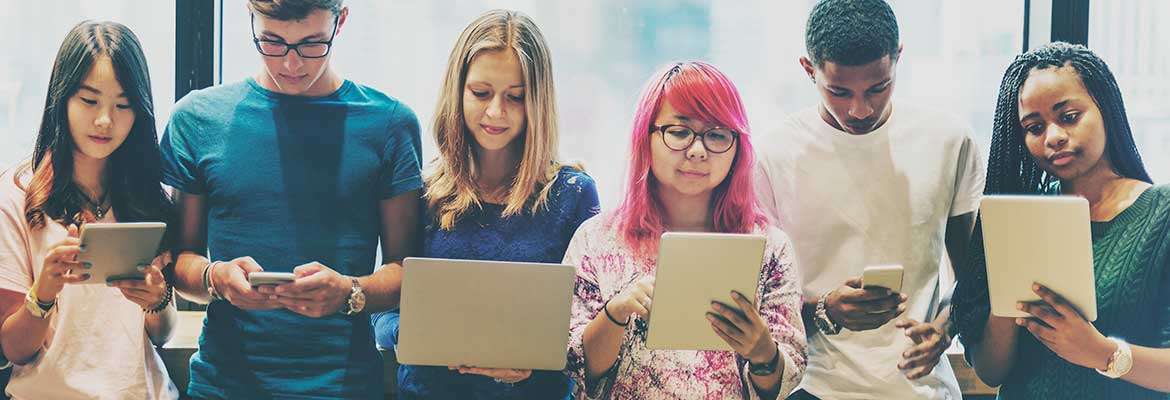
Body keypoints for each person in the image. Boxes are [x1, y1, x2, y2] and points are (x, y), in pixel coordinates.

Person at [158, 0, 422, 397]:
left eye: (313, 43)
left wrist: (351, 291)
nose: (292, 64)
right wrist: (217, 278)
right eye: (272, 42)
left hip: (344, 387)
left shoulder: (389, 124)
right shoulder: (197, 119)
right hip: (224, 385)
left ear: (341, 21)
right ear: (250, 17)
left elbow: (408, 271)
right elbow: (179, 263)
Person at [753, 0, 985, 398]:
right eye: (839, 91)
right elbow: (759, 301)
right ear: (809, 70)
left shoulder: (949, 140)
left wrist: (946, 328)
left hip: (923, 389)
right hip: (813, 387)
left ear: (898, 58)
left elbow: (975, 275)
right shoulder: (773, 155)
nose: (860, 109)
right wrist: (825, 310)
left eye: (878, 87)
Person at [370, 9, 599, 399]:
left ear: (537, 103)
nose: (496, 112)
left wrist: (536, 358)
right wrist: (412, 332)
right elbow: (383, 312)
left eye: (515, 97)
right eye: (481, 93)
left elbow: (591, 328)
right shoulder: (424, 192)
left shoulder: (573, 193)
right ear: (457, 92)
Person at [564, 61, 806, 399]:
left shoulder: (767, 246)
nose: (697, 150)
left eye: (717, 135)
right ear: (645, 137)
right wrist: (616, 312)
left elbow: (784, 380)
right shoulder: (597, 239)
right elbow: (577, 365)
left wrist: (763, 352)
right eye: (679, 132)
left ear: (737, 146)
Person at [953, 41, 1170, 399]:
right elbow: (991, 372)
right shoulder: (1020, 217)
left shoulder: (1160, 213)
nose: (1053, 137)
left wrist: (1102, 353)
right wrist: (1011, 286)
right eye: (1034, 127)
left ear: (1106, 109)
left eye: (1068, 117)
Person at [0, 20, 178, 399]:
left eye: (123, 105)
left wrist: (158, 299)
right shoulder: (18, 193)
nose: (104, 120)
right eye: (89, 100)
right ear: (61, 98)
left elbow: (161, 334)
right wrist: (44, 291)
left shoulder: (148, 193)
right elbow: (14, 348)